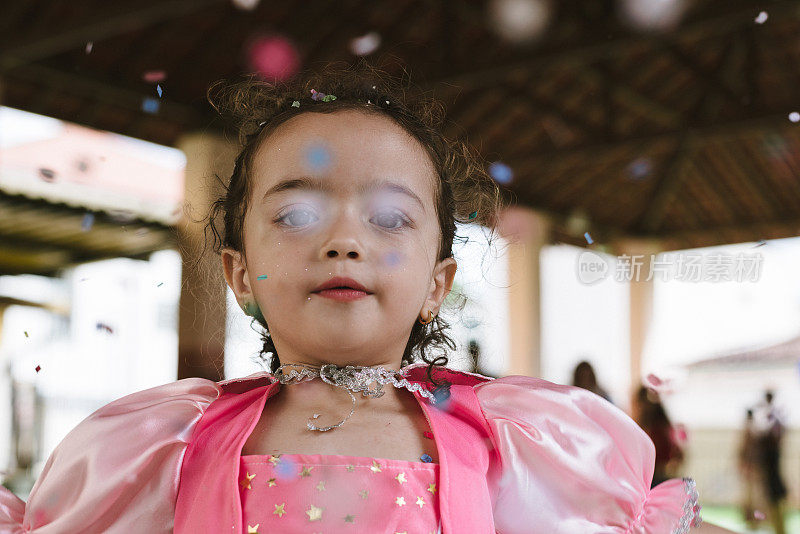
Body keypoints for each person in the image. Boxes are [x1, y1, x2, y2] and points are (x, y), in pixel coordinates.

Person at [0, 62, 735, 533]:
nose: (344, 240)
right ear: (240, 273)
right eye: (295, 215)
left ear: (436, 285)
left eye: (388, 219)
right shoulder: (162, 445)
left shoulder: (514, 439)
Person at [632, 385, 685, 489]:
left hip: (656, 478)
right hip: (658, 476)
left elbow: (677, 454)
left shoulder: (654, 428)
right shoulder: (661, 425)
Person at [753, 390, 788, 534]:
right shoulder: (773, 420)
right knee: (773, 509)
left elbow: (764, 433)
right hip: (771, 477)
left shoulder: (772, 423)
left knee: (775, 508)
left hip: (773, 479)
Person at [737, 409, 765, 531]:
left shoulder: (749, 429)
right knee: (753, 495)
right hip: (752, 466)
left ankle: (752, 519)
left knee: (751, 495)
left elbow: (744, 449)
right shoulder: (754, 429)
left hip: (751, 467)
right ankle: (752, 519)